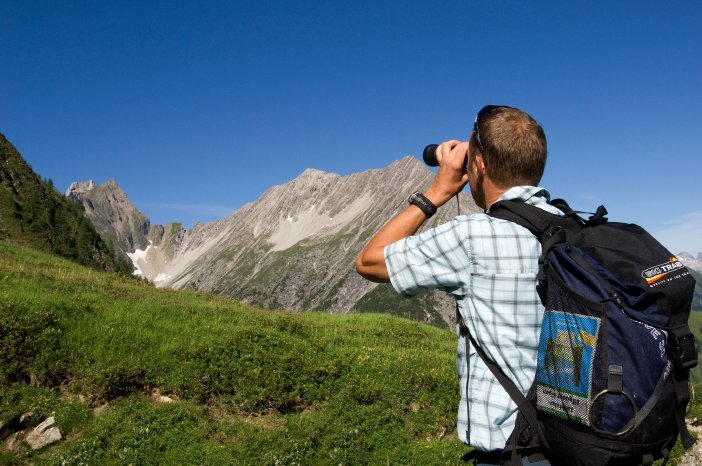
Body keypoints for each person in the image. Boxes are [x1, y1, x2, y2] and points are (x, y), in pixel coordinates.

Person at [355, 105, 558, 465]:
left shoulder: (472, 237)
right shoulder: (569, 228)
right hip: (576, 442)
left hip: (513, 450)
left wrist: (435, 193)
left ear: (477, 165)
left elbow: (369, 260)